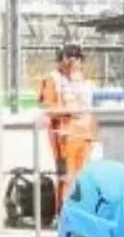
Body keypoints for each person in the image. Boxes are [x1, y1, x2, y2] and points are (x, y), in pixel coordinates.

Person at [39, 41, 98, 196]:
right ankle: (64, 215)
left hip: (84, 136)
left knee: (82, 178)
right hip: (63, 137)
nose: (73, 60)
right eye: (69, 56)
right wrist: (68, 111)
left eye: (76, 56)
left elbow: (91, 108)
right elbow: (48, 108)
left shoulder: (84, 81)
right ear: (60, 58)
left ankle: (80, 213)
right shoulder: (53, 79)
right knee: (66, 178)